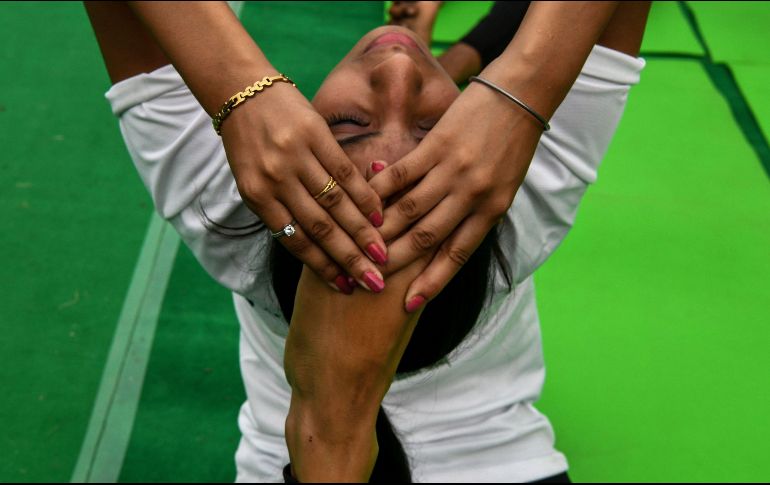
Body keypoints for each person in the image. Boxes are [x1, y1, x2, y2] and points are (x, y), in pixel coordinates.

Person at [86, 1, 649, 482]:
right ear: (491, 196)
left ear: (271, 200)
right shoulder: (523, 192)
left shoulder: (229, 207)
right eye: (435, 130)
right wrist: (519, 93)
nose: (399, 70)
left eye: (350, 123)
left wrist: (242, 90)